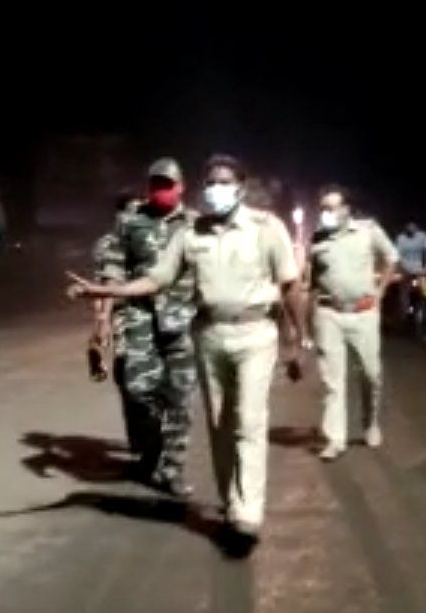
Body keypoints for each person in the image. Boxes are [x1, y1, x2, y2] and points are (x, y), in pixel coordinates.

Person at [68, 154, 309, 550]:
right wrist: (105, 291)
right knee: (219, 424)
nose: (216, 189)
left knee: (248, 422)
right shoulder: (191, 233)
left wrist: (299, 339)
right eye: (210, 182)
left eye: (224, 181)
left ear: (241, 187)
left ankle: (247, 515)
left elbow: (290, 286)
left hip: (255, 334)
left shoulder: (267, 228)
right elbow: (156, 279)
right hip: (209, 333)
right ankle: (232, 502)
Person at [90, 158, 199, 496]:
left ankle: (171, 469)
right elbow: (113, 270)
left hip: (184, 318)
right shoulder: (130, 222)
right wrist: (103, 319)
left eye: (167, 184)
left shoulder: (196, 224)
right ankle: (152, 450)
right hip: (140, 317)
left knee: (179, 397)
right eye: (156, 184)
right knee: (137, 388)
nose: (161, 190)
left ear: (181, 187)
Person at [306, 185, 398, 459]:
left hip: (364, 313)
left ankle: (370, 422)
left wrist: (380, 292)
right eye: (322, 208)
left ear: (346, 209)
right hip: (329, 314)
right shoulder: (317, 238)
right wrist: (309, 324)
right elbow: (312, 281)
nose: (325, 213)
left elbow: (391, 257)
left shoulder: (368, 230)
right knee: (332, 382)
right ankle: (335, 439)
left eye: (331, 208)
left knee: (371, 373)